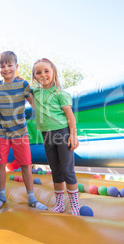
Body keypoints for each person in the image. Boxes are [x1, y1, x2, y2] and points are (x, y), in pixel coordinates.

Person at [0, 51, 48, 212]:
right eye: (2, 66)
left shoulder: (23, 85)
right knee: (0, 164)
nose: (6, 68)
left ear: (16, 67)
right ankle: (1, 196)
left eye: (9, 65)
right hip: (1, 132)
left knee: (26, 165)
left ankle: (31, 198)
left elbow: (35, 104)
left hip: (20, 132)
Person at [32, 58, 80, 215]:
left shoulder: (60, 94)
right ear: (34, 76)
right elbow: (23, 89)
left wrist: (73, 135)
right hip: (47, 135)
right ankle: (59, 203)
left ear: (53, 73)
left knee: (67, 170)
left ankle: (74, 205)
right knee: (55, 170)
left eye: (46, 71)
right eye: (38, 72)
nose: (43, 75)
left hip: (62, 133)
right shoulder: (36, 93)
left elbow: (70, 116)